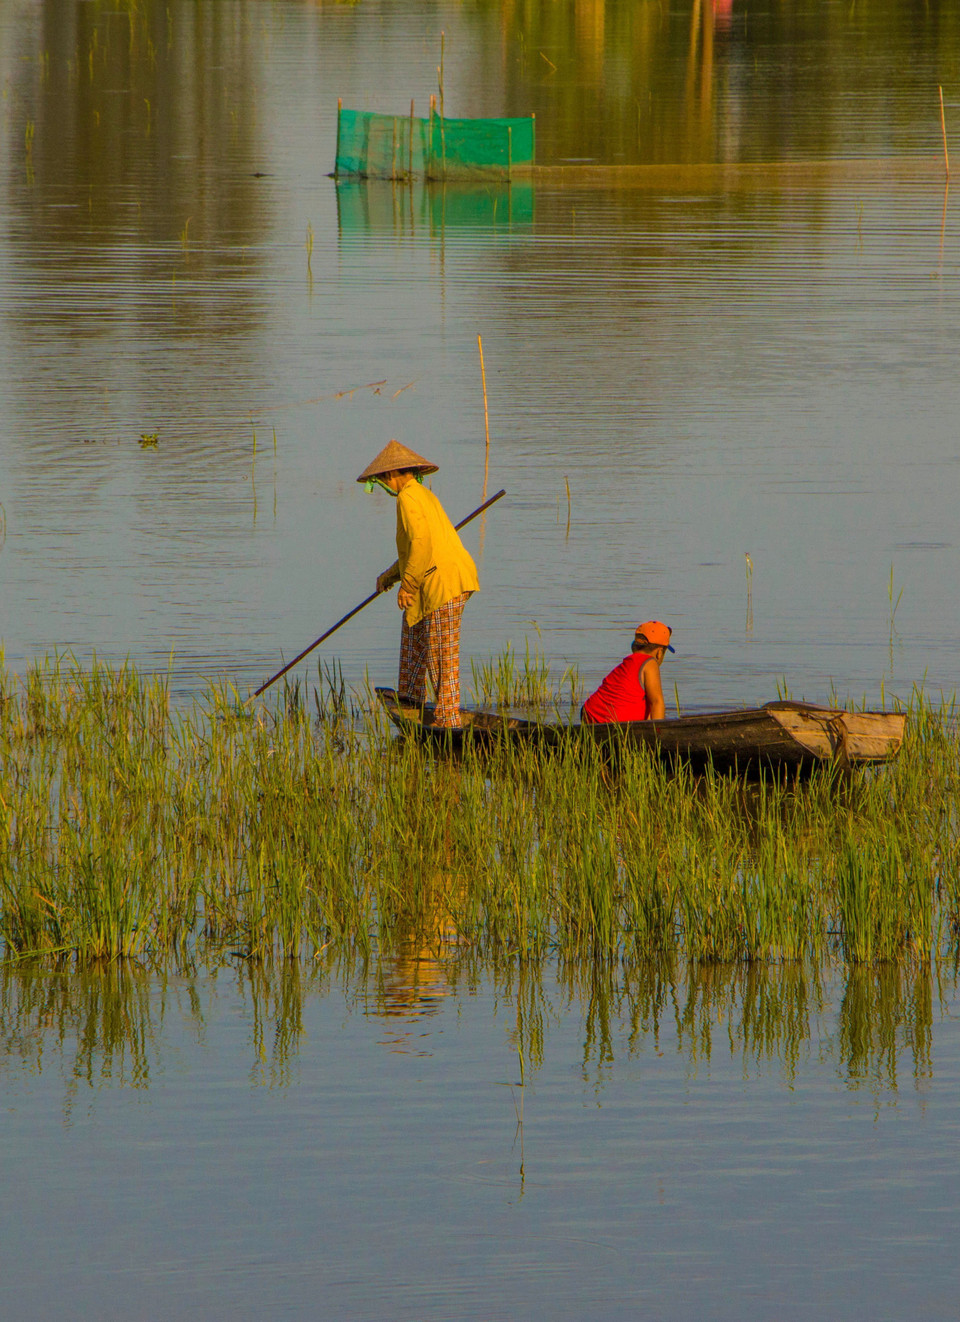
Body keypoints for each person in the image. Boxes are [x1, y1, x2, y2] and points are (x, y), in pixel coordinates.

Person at [358, 439, 479, 729]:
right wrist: (389, 577)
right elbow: (415, 548)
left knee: (441, 655)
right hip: (437, 577)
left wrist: (408, 586)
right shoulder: (422, 494)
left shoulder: (409, 498)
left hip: (445, 582)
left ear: (390, 476)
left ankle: (447, 721)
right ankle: (411, 700)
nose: (383, 486)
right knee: (412, 629)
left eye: (381, 480)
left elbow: (421, 545)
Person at [581, 621, 674, 724]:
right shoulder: (650, 663)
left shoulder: (628, 664)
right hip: (613, 722)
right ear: (659, 653)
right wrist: (658, 735)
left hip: (590, 713)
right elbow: (657, 702)